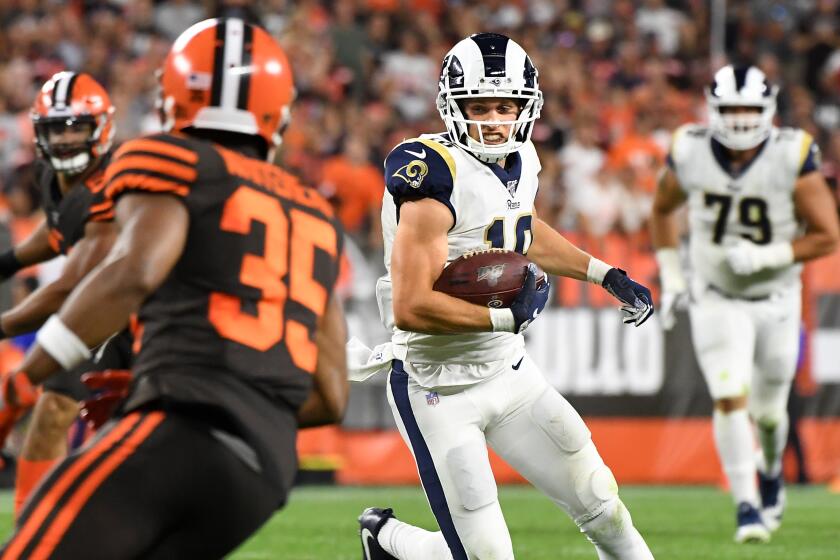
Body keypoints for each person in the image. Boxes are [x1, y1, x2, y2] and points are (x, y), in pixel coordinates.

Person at [0, 17, 348, 558]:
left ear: (173, 96)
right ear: (279, 111)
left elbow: (131, 274)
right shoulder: (317, 214)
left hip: (181, 431)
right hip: (265, 471)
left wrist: (29, 377)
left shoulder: (164, 157)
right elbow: (331, 396)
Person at [358, 33, 655, 560]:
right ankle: (388, 539)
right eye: (479, 106)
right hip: (437, 386)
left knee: (603, 503)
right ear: (453, 107)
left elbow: (521, 228)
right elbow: (410, 304)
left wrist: (602, 273)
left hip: (510, 374)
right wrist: (502, 320)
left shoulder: (524, 157)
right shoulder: (431, 175)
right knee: (485, 556)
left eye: (506, 106)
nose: (494, 120)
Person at [651, 64, 839, 543]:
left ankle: (771, 469)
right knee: (730, 396)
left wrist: (768, 255)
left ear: (767, 111)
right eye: (730, 110)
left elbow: (827, 235)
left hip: (776, 296)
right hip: (715, 296)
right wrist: (673, 276)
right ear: (713, 110)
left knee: (771, 414)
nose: (738, 120)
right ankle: (747, 506)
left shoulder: (789, 154)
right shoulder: (690, 149)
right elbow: (662, 210)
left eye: (747, 110)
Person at [0, 71, 129, 517]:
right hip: (108, 311)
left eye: (77, 126)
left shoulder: (110, 188)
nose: (68, 138)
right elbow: (58, 228)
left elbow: (69, 289)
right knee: (54, 408)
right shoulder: (55, 177)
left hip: (154, 315)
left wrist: (2, 325)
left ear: (102, 128)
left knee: (141, 442)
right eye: (58, 127)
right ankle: (28, 534)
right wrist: (9, 263)